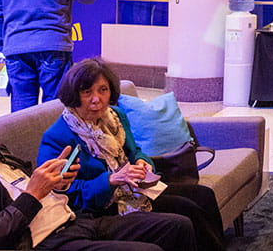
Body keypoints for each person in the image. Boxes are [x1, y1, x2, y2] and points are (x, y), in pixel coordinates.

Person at [0, 82, 196, 251]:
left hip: (74, 221)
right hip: (44, 241)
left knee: (177, 225)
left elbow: (32, 185)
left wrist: (56, 182)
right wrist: (35, 194)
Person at [38, 59, 223, 251]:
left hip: (134, 189)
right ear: (73, 95)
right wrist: (110, 180)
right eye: (87, 92)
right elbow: (63, 195)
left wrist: (143, 162)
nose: (97, 99)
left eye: (103, 90)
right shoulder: (58, 137)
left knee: (203, 195)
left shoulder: (115, 117)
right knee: (184, 213)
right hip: (101, 208)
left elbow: (134, 152)